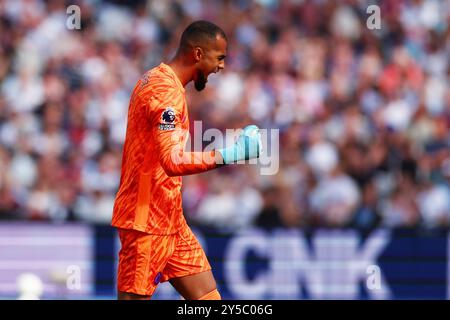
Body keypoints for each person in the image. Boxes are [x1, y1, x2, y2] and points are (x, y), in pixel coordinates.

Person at [111, 20, 262, 300]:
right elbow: (172, 160)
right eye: (219, 58)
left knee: (208, 299)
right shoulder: (164, 91)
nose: (221, 67)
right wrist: (233, 154)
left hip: (170, 219)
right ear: (197, 54)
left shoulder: (160, 82)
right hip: (145, 222)